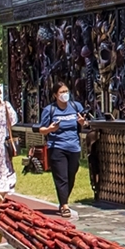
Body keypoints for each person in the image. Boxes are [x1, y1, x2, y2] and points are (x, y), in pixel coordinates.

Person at [37, 81, 87, 216]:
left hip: (74, 147)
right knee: (61, 177)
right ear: (55, 95)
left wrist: (83, 123)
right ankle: (64, 205)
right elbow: (41, 129)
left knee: (71, 175)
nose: (65, 94)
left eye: (66, 91)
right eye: (61, 92)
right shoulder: (50, 110)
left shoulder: (76, 106)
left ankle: (64, 199)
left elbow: (85, 123)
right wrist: (50, 129)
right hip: (57, 147)